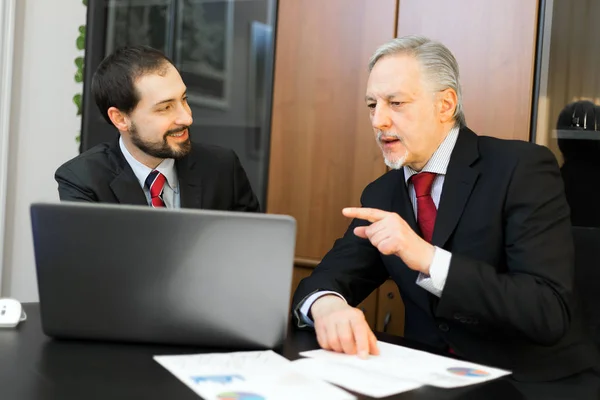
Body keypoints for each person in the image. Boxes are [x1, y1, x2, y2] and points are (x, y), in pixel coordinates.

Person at [291, 35, 598, 381]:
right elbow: (327, 277)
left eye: (396, 103)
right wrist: (327, 305)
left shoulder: (520, 169)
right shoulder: (382, 193)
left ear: (446, 105)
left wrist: (428, 258)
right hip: (427, 378)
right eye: (372, 105)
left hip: (526, 382)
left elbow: (546, 311)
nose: (378, 121)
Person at [55, 45, 260, 212]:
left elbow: (252, 250)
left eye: (184, 99)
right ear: (120, 119)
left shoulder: (222, 168)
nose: (187, 118)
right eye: (165, 108)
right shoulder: (82, 180)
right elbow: (90, 261)